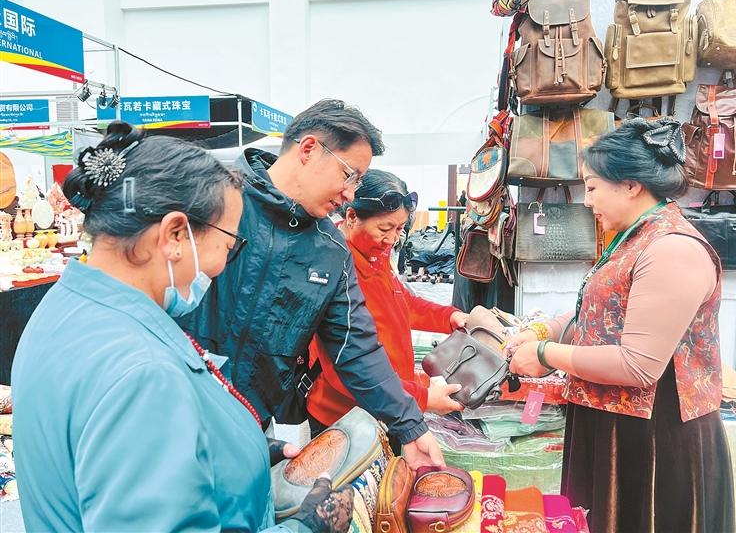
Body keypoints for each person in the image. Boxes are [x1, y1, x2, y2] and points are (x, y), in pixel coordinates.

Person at [12, 122, 354, 533]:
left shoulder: (65, 308)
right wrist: (306, 527)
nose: (222, 264)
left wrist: (231, 450)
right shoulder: (144, 375)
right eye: (229, 245)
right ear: (175, 234)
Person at [179, 99, 444, 469]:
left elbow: (355, 347)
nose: (351, 193)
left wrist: (410, 424)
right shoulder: (210, 202)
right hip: (169, 409)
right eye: (349, 175)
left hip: (250, 426)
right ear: (308, 149)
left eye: (358, 181)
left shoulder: (329, 252)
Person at [507, 118, 735, 533]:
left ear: (630, 185)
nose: (587, 201)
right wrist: (545, 331)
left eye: (593, 187)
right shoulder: (634, 239)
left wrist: (545, 354)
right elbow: (598, 313)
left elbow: (638, 364)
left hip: (656, 438)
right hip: (617, 424)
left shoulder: (672, 249)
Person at [306, 170, 468, 447]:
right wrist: (421, 398)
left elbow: (401, 303)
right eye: (384, 229)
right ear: (351, 216)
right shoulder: (333, 267)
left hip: (389, 405)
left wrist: (450, 316)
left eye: (399, 229)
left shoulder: (374, 255)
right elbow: (347, 367)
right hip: (346, 419)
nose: (392, 239)